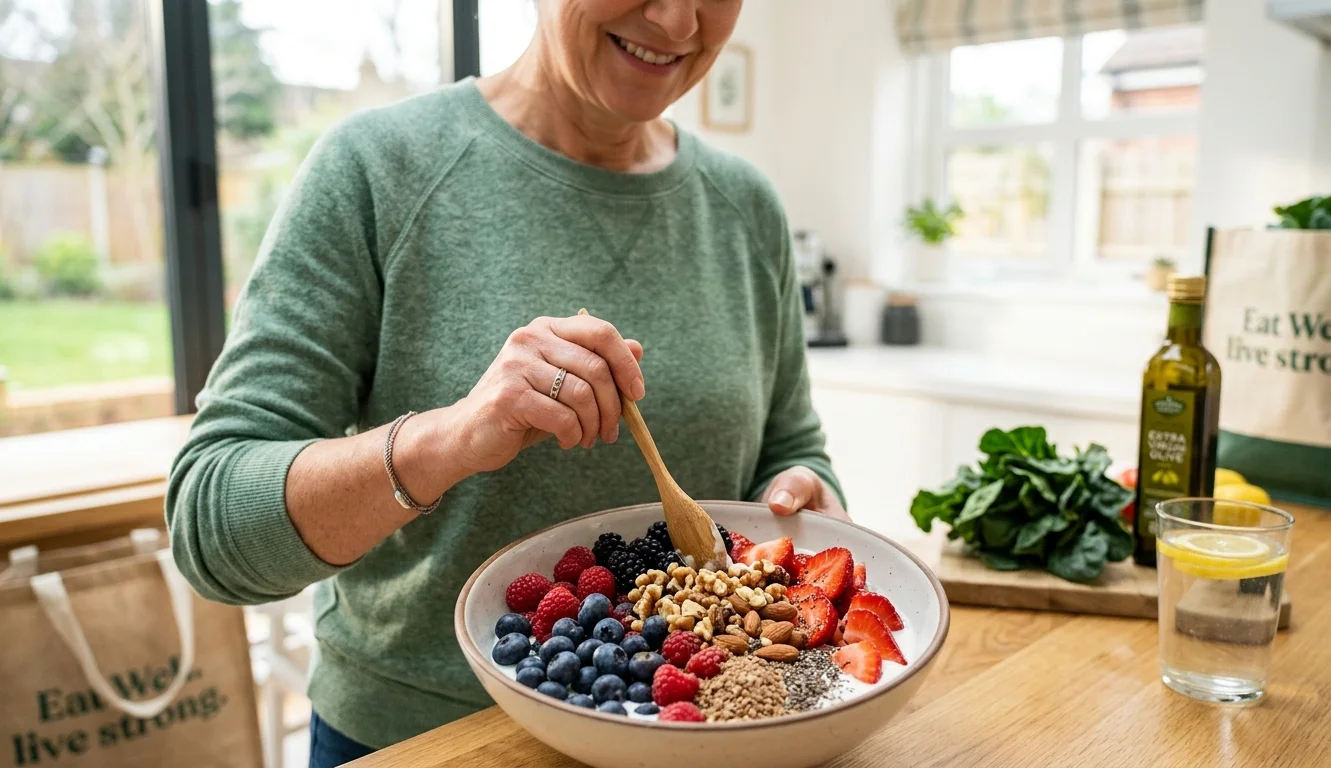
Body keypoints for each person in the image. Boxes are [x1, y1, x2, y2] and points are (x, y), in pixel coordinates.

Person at [165, 1, 846, 765]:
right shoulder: (376, 167)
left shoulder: (745, 207)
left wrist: (806, 500)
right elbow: (212, 526)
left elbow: (791, 450)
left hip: (700, 734)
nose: (679, 21)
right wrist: (448, 439)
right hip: (429, 742)